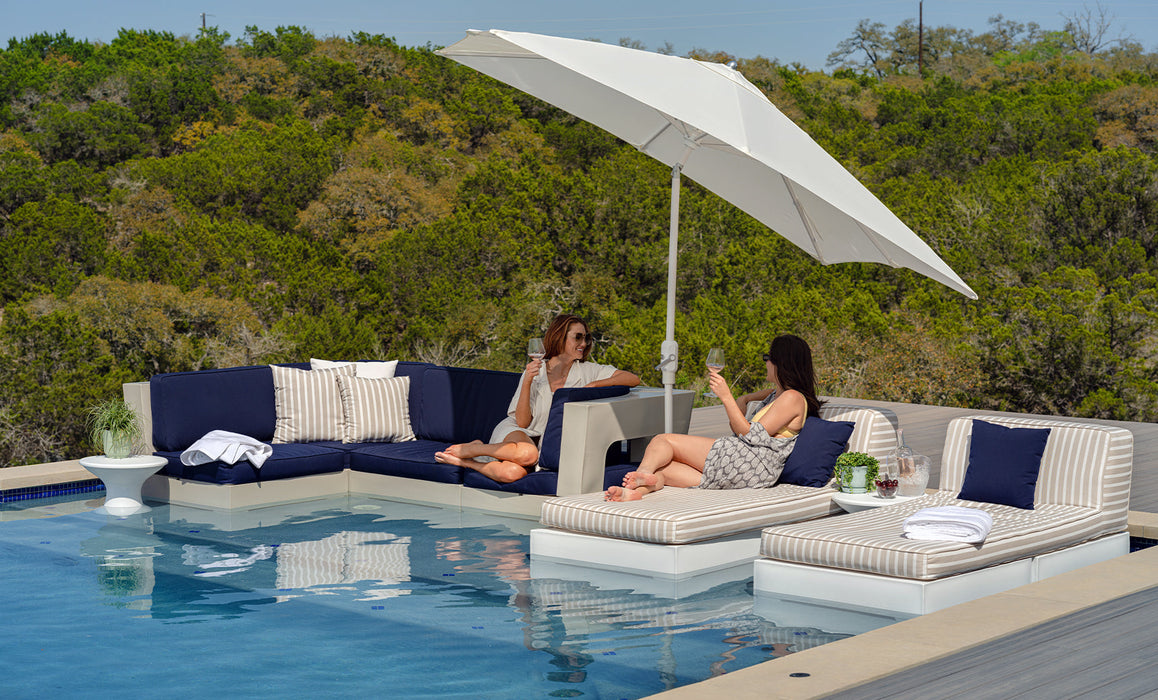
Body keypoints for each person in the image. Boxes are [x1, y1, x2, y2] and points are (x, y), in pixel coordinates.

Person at [605, 334, 821, 501]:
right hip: (751, 470)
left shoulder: (792, 397)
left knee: (662, 441)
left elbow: (751, 435)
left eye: (768, 358)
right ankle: (636, 492)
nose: (765, 363)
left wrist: (726, 397)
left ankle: (640, 475)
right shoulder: (779, 395)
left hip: (750, 463)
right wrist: (745, 398)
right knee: (664, 468)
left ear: (781, 362)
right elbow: (742, 427)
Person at [435, 314, 640, 482]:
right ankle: (474, 448)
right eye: (578, 337)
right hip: (518, 432)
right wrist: (527, 381)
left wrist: (594, 385)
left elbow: (632, 378)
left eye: (586, 338)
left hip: (540, 444)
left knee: (512, 473)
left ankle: (466, 461)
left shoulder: (589, 371)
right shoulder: (535, 371)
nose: (584, 343)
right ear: (559, 337)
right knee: (528, 454)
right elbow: (522, 422)